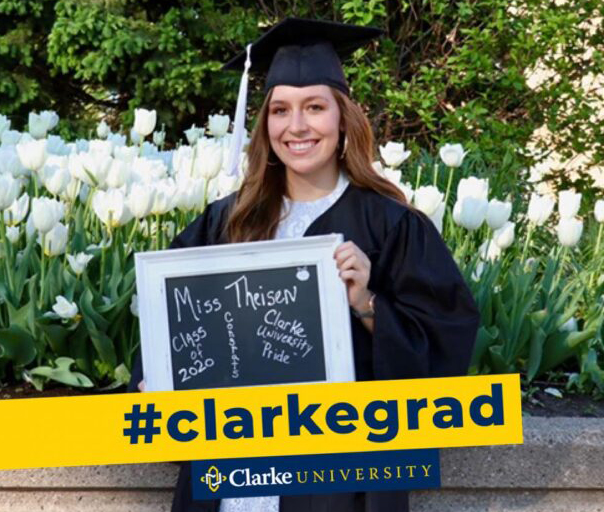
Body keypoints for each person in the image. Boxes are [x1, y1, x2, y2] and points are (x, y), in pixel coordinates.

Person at [129, 17, 480, 512]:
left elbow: (445, 354)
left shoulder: (392, 227)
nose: (296, 127)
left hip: (337, 485)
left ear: (343, 119)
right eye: (280, 110)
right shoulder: (225, 222)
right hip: (227, 476)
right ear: (265, 124)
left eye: (314, 107)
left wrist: (368, 304)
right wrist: (155, 383)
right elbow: (170, 327)